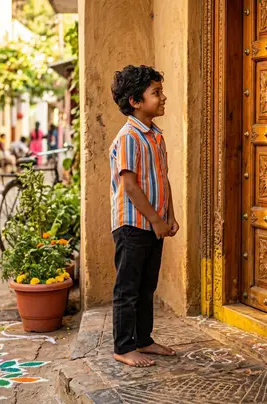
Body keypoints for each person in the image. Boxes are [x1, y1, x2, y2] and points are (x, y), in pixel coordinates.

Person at [110, 65, 179, 368]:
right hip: (132, 225)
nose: (163, 97)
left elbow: (163, 178)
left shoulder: (156, 137)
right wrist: (155, 220)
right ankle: (124, 347)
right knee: (128, 288)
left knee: (146, 285)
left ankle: (144, 340)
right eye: (156, 93)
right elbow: (129, 185)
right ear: (135, 101)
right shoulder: (129, 137)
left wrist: (170, 216)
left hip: (153, 223)